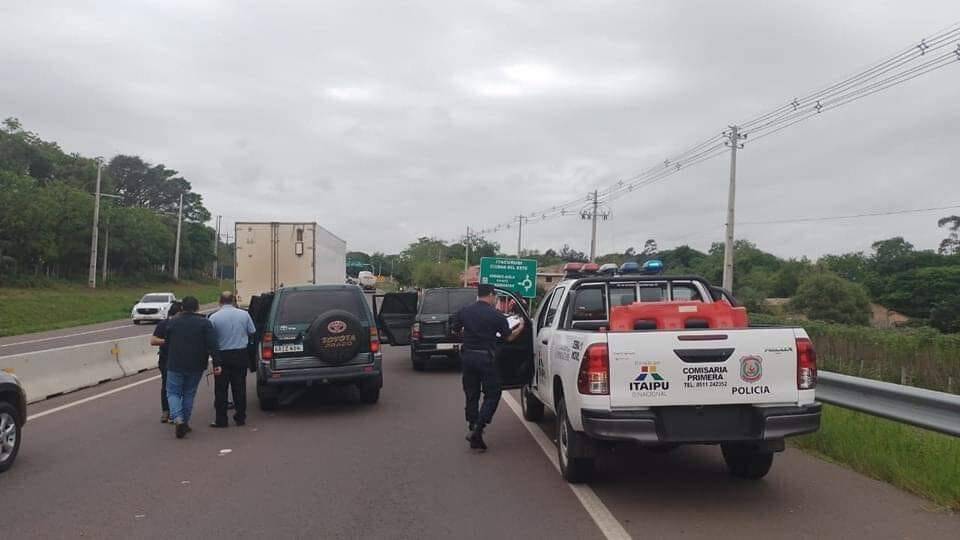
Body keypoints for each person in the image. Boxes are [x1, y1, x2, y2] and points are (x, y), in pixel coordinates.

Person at [451, 284, 525, 451]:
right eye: (495, 296)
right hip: (486, 359)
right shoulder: (496, 315)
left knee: (471, 393)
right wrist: (521, 326)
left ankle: (472, 426)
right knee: (493, 394)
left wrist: (469, 335)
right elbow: (509, 338)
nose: (495, 299)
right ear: (491, 295)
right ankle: (479, 428)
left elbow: (455, 329)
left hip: (468, 357)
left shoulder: (465, 311)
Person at [160, 296, 220, 439]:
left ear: (182, 308)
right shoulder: (205, 323)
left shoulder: (173, 322)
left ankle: (178, 419)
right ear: (197, 307)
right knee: (189, 393)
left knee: (173, 392)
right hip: (196, 363)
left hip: (175, 363)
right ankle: (185, 422)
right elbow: (213, 345)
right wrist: (217, 363)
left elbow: (166, 343)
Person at [208, 291, 256, 428]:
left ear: (220, 301)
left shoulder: (214, 317)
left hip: (222, 355)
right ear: (234, 301)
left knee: (221, 389)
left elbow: (211, 338)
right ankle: (240, 417)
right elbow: (252, 331)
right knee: (240, 387)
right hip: (240, 354)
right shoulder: (244, 314)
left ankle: (221, 420)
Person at [149, 300, 183, 423]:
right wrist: (168, 341)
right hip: (166, 359)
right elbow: (153, 340)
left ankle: (175, 411)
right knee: (167, 385)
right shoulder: (164, 324)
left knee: (177, 386)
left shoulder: (182, 324)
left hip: (179, 358)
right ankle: (167, 411)